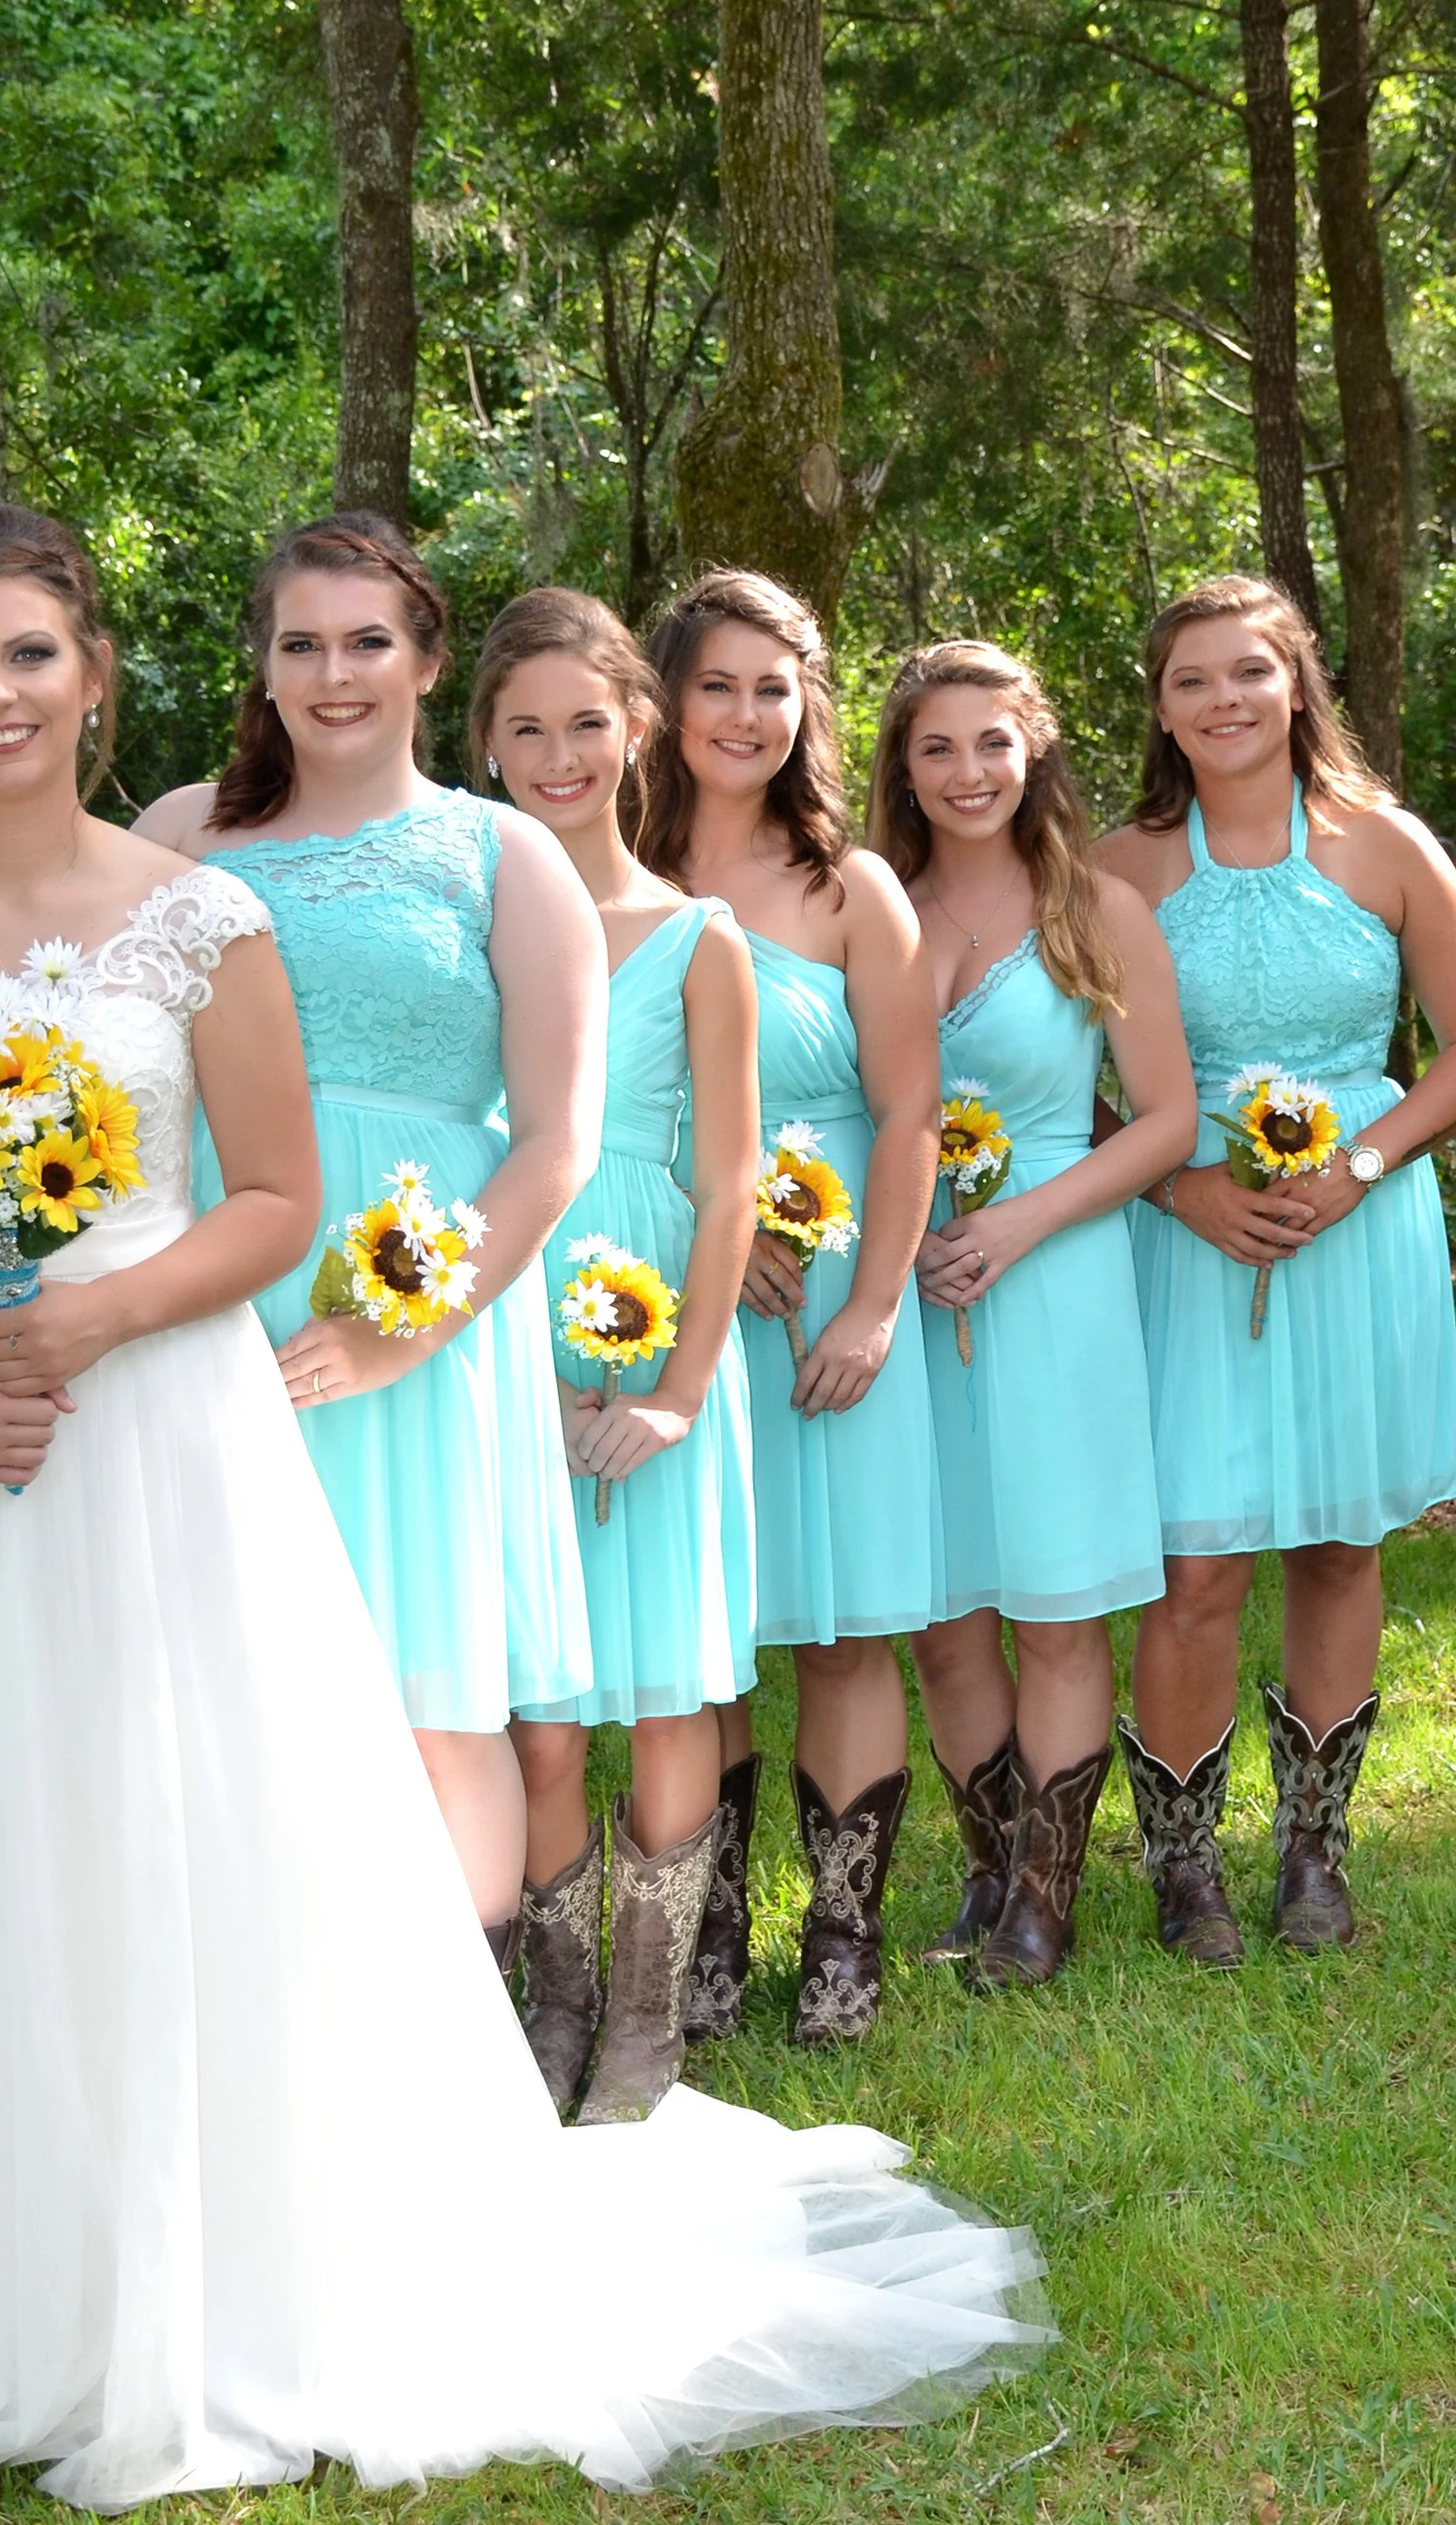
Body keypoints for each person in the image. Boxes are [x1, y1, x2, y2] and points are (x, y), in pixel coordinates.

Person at [0, 505, 1049, 2508]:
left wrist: (93, 1329)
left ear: (98, 671)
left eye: (31, 656)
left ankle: (228, 2212)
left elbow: (277, 1189)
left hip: (170, 1409)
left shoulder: (205, 916)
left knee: (216, 1789)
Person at [134, 515, 601, 1963]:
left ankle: (462, 2048)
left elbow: (555, 1142)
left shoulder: (504, 853)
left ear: (426, 659)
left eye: (368, 642)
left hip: (418, 1294)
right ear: (263, 667)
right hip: (211, 1277)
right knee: (223, 1687)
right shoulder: (175, 837)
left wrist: (408, 1321)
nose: (336, 675)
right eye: (302, 644)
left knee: (429, 1692)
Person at [1097, 574, 1456, 1961]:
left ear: (1297, 683)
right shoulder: (1123, 865)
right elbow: (1029, 1085)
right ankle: (1183, 1869)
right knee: (1195, 1563)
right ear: (1159, 708)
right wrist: (1180, 1183)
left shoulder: (1385, 846)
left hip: (1358, 1229)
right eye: (1190, 681)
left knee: (1340, 1541)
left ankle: (1314, 1855)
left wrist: (1361, 1169)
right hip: (1189, 1229)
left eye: (1247, 673)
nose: (1223, 701)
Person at [470, 588, 760, 2122]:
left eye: (587, 721)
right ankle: (553, 2004)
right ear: (486, 748)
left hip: (653, 1319)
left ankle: (645, 2024)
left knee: (659, 1679)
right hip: (502, 1314)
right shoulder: (469, 919)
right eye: (524, 727)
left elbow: (730, 1185)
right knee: (538, 1695)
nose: (559, 753)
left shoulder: (701, 940)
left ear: (638, 728)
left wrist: (679, 1387)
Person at [642, 570, 942, 2048]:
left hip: (825, 1302)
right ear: (668, 701)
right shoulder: (606, 875)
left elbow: (908, 1113)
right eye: (718, 686)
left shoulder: (851, 888)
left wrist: (873, 1303)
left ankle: (842, 1939)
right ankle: (705, 1932)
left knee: (839, 1629)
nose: (747, 716)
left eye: (775, 688)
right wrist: (696, 1229)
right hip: (659, 1286)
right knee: (701, 1634)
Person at [869, 642, 1196, 1984]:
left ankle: (1047, 1902)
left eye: (991, 743)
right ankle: (988, 1869)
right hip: (898, 1282)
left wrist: (1015, 1222)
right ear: (901, 765)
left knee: (1056, 1604)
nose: (966, 773)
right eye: (936, 748)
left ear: (1036, 748)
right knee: (945, 1610)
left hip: (1053, 1278)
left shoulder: (1095, 905)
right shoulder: (868, 903)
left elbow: (1169, 1122)